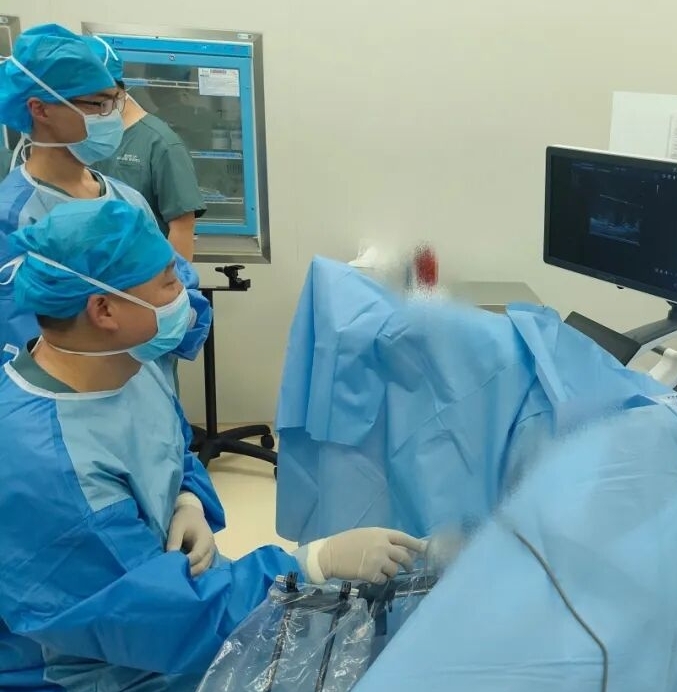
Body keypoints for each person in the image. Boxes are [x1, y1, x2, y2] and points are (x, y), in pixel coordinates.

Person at [0, 198, 425, 692]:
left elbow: (169, 444)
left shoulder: (128, 363)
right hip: (108, 665)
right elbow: (154, 616)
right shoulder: (44, 466)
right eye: (168, 283)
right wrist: (310, 565)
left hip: (184, 603)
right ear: (104, 309)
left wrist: (188, 498)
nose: (186, 295)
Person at [0, 23, 209, 372]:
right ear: (40, 109)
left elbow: (179, 290)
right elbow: (22, 350)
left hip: (151, 386)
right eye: (98, 104)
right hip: (72, 399)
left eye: (116, 101)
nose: (112, 115)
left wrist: (177, 316)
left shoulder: (126, 199)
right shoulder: (12, 218)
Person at [85, 35, 206, 262]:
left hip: (145, 274)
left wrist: (175, 281)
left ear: (115, 92)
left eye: (90, 102)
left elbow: (182, 227)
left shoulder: (161, 143)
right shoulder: (84, 140)